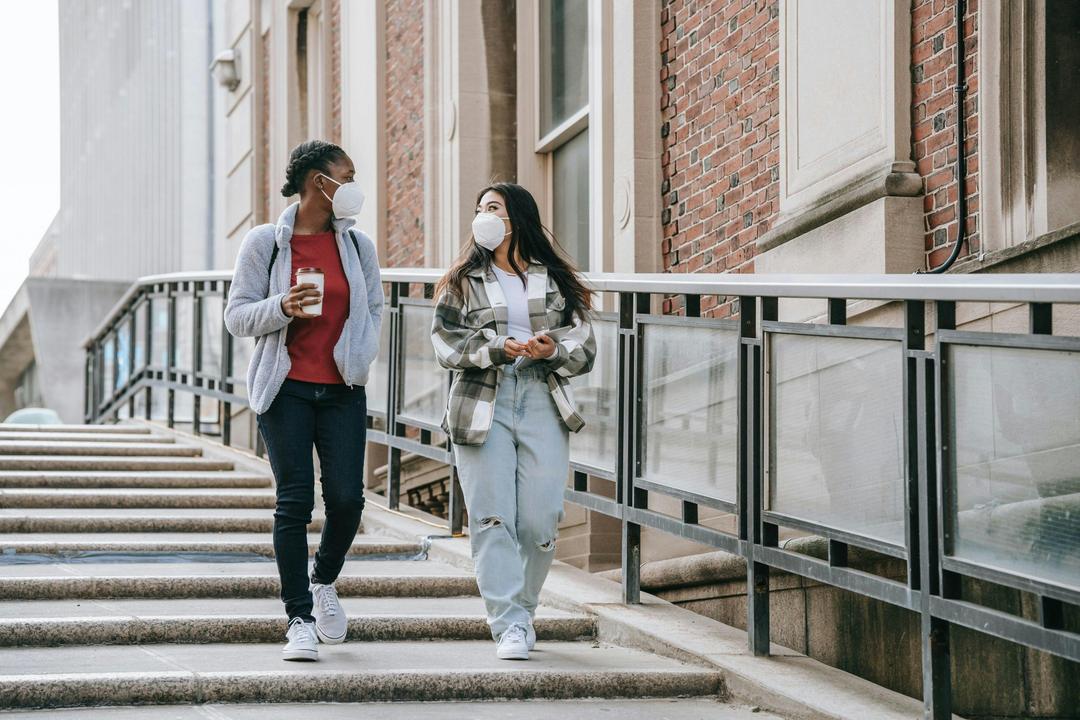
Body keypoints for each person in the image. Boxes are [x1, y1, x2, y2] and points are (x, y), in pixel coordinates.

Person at [224, 140, 383, 661]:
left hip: (342, 390)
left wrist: (360, 355)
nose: (355, 185)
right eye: (348, 175)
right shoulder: (264, 243)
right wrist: (283, 306)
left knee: (346, 499)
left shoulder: (358, 247)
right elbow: (237, 316)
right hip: (285, 388)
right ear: (320, 182)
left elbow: (375, 309)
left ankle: (323, 580)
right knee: (295, 500)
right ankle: (298, 617)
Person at [430, 182, 596, 660]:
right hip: (483, 400)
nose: (484, 215)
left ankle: (524, 608)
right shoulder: (462, 280)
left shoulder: (557, 280)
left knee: (541, 518)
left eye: (494, 207)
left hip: (543, 395)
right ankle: (509, 624)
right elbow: (444, 344)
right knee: (491, 516)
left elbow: (585, 348)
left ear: (516, 216)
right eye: (479, 207)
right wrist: (494, 349)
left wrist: (553, 349)